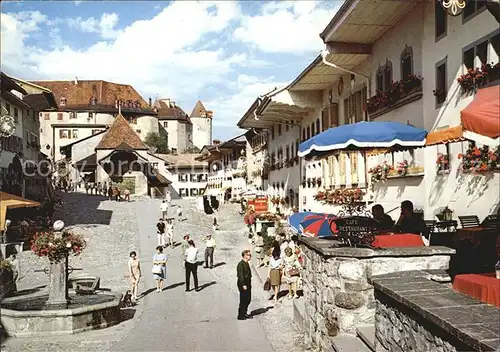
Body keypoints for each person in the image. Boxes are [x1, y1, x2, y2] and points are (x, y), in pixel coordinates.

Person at [236, 249, 253, 320]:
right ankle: (241, 315)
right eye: (249, 255)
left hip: (248, 283)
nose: (250, 256)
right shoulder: (241, 264)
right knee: (243, 300)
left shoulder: (246, 263)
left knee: (248, 299)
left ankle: (245, 313)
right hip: (243, 284)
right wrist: (243, 284)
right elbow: (240, 275)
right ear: (245, 255)